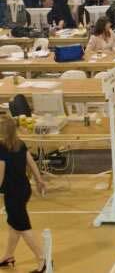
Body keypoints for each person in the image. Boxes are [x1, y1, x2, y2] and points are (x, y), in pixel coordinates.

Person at [0, 116, 46, 272]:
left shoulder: (1, 147)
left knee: (23, 227)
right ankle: (8, 256)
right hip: (24, 189)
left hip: (13, 193)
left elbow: (0, 174)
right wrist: (39, 180)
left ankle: (43, 259)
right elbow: (31, 163)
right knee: (14, 224)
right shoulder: (20, 143)